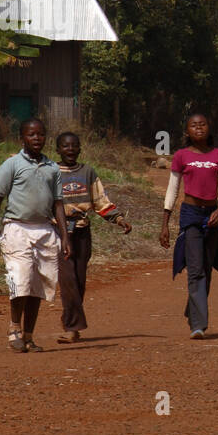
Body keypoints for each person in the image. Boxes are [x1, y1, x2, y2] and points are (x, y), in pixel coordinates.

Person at [0, 119, 71, 353]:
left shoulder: (52, 168)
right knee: (20, 281)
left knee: (39, 286)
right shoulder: (11, 165)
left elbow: (59, 204)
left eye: (41, 134)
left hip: (44, 230)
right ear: (22, 137)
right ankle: (14, 329)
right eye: (31, 134)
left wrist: (65, 236)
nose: (37, 138)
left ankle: (29, 335)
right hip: (17, 228)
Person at [55, 132, 132, 343]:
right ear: (58, 150)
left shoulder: (88, 172)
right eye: (65, 146)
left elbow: (100, 201)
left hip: (81, 232)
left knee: (79, 280)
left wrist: (118, 219)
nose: (70, 150)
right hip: (60, 233)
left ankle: (71, 323)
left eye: (74, 146)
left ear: (80, 149)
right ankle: (71, 328)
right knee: (68, 279)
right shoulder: (50, 172)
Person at [159, 113, 218, 339]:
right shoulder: (181, 156)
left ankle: (193, 309)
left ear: (209, 127)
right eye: (193, 125)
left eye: (202, 124)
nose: (198, 128)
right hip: (190, 215)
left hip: (212, 215)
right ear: (187, 131)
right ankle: (198, 325)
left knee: (207, 268)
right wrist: (165, 223)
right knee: (196, 269)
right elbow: (172, 189)